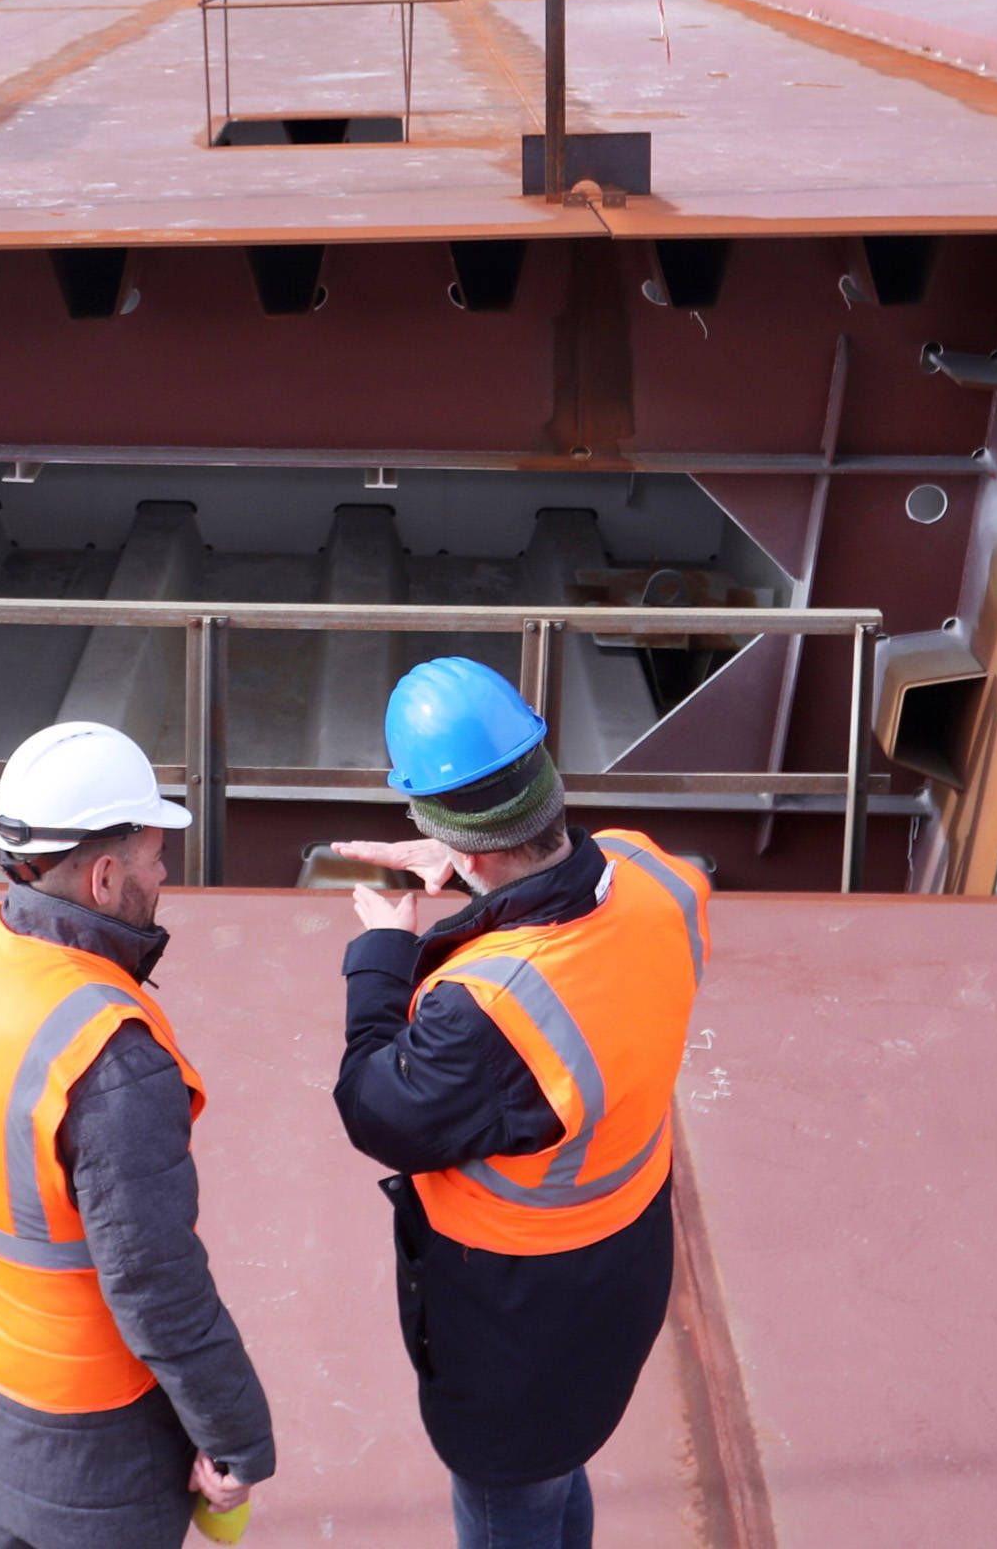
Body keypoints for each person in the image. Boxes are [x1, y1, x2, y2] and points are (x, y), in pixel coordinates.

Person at [327, 657, 708, 1549]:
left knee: (509, 1505)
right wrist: (468, 865)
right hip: (626, 1259)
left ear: (461, 838)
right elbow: (575, 879)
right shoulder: (658, 875)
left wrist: (384, 952)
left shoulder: (488, 1011)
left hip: (519, 1317)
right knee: (554, 1475)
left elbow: (377, 1109)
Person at [0, 720, 275, 1549]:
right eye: (152, 855)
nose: (164, 872)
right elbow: (158, 1289)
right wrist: (237, 1436)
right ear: (105, 878)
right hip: (86, 1449)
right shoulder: (111, 1063)